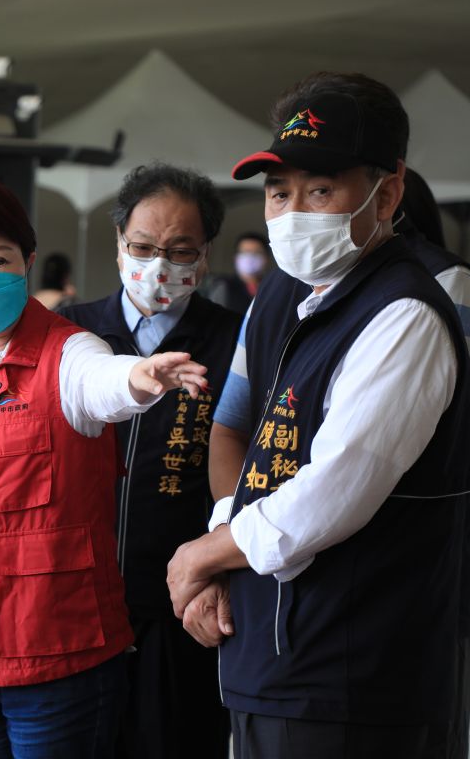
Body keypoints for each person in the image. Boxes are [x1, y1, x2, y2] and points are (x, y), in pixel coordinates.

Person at [167, 72, 469, 759]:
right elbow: (243, 442)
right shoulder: (298, 300)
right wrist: (224, 555)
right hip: (278, 662)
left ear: (387, 192)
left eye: (321, 190)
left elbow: (330, 494)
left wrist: (200, 557)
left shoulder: (404, 314)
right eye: (279, 194)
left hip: (351, 676)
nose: (294, 212)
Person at [0, 173, 208, 757]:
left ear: (27, 260)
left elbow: (101, 384)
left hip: (62, 672)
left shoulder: (70, 352)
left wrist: (139, 377)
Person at [57, 163, 238, 759]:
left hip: (181, 603)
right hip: (75, 604)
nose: (158, 265)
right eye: (142, 247)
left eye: (179, 250)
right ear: (118, 246)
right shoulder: (74, 336)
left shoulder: (234, 341)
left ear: (205, 255)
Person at [203, 233, 272, 313]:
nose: (250, 258)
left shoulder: (273, 289)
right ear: (236, 258)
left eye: (257, 253)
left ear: (266, 258)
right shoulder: (224, 287)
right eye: (245, 252)